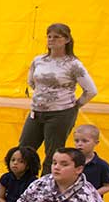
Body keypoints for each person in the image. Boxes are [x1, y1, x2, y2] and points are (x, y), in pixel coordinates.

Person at [18, 23, 97, 175]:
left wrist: (75, 106)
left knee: (52, 155)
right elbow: (32, 82)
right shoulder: (38, 60)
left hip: (60, 114)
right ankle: (23, 184)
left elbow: (91, 90)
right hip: (36, 112)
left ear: (66, 39)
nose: (51, 40)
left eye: (56, 37)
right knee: (24, 150)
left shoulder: (73, 64)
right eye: (49, 36)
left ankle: (46, 189)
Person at [73, 124, 109, 196]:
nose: (79, 144)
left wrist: (92, 194)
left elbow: (108, 186)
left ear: (96, 143)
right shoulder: (70, 161)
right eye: (76, 141)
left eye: (85, 141)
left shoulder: (102, 165)